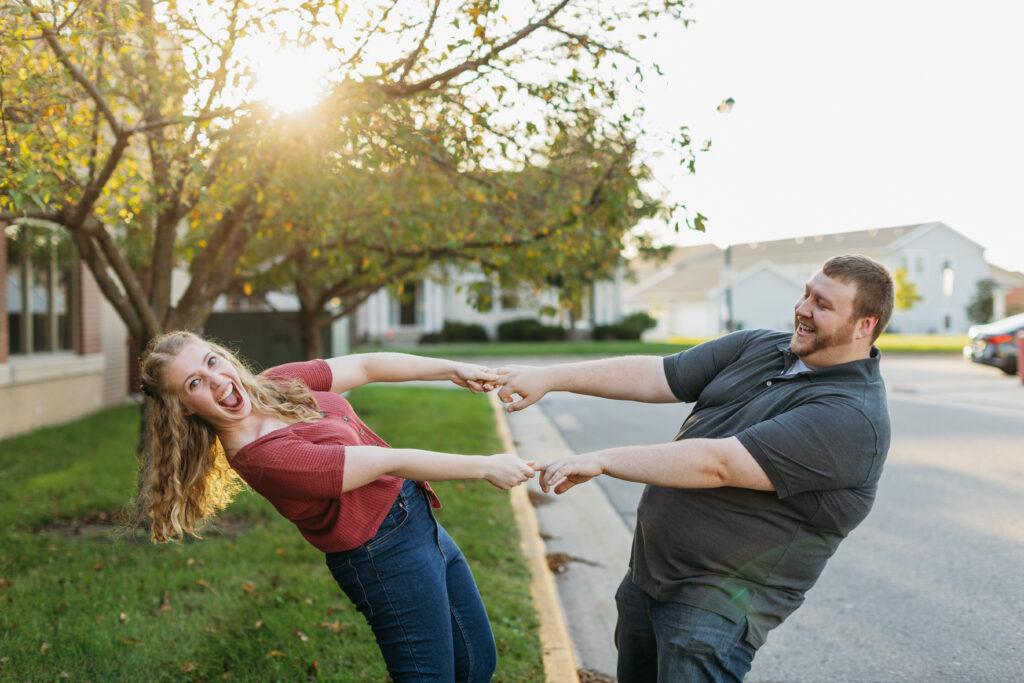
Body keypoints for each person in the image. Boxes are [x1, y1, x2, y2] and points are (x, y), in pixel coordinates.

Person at [497, 254, 894, 682]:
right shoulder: (761, 346)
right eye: (805, 293)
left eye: (823, 304)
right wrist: (551, 377)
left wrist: (604, 460)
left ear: (864, 325)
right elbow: (658, 374)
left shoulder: (853, 416)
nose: (802, 308)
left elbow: (718, 463)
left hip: (714, 608)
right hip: (649, 578)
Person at [134, 330, 535, 682]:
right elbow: (384, 462)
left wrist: (451, 369)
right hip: (383, 557)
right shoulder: (262, 458)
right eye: (194, 383)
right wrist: (485, 466)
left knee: (476, 664)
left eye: (212, 361)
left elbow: (364, 366)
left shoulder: (275, 384)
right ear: (183, 407)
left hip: (416, 521)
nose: (217, 381)